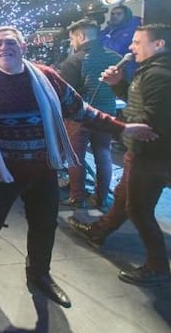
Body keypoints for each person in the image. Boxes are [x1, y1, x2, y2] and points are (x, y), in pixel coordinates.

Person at [0, 26, 155, 308]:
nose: (3, 48)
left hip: (42, 169)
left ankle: (39, 274)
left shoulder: (46, 77)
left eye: (10, 43)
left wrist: (123, 128)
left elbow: (81, 110)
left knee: (43, 226)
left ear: (23, 48)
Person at [68, 23, 171, 286]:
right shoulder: (149, 71)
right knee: (123, 195)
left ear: (158, 44)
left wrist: (118, 124)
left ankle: (157, 264)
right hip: (141, 152)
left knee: (137, 210)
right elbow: (139, 101)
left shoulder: (159, 75)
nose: (131, 47)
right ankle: (99, 231)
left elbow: (152, 119)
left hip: (149, 155)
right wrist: (118, 85)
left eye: (137, 42)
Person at [58, 18, 122, 209]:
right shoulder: (115, 57)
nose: (72, 43)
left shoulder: (75, 60)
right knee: (103, 154)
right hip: (107, 114)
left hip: (81, 116)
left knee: (75, 155)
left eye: (72, 39)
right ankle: (101, 198)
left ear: (81, 36)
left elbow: (65, 92)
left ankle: (77, 197)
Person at [100, 5, 142, 79]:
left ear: (126, 15)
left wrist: (103, 38)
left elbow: (116, 48)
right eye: (112, 14)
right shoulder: (111, 27)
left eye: (119, 14)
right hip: (115, 66)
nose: (115, 16)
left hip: (128, 68)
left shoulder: (132, 28)